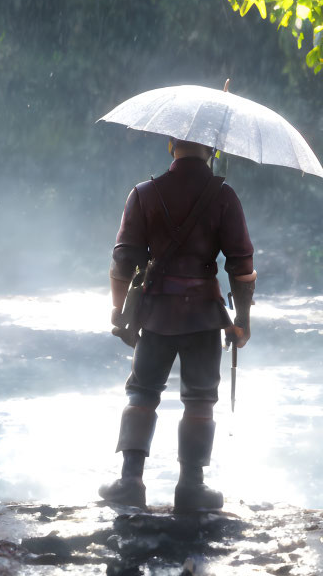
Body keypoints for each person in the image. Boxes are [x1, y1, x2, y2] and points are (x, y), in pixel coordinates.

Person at [101, 137, 256, 511]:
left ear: (171, 144)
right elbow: (241, 264)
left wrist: (119, 310)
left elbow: (124, 260)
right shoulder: (225, 196)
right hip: (204, 314)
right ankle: (191, 488)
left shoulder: (143, 194)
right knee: (201, 398)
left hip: (155, 313)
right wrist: (242, 320)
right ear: (212, 150)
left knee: (142, 392)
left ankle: (130, 482)